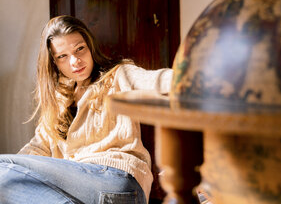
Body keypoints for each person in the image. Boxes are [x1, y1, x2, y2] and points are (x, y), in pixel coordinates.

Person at [0, 15, 173, 204]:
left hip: (117, 179)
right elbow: (37, 147)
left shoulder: (117, 76)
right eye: (62, 56)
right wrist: (13, 174)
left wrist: (197, 77)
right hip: (83, 191)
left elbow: (156, 80)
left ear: (90, 47)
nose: (75, 61)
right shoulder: (59, 100)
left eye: (80, 49)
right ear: (53, 63)